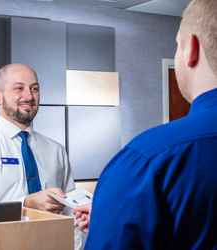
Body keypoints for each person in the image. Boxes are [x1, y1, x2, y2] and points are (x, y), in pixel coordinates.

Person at [74, 0, 217, 248]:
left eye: (177, 45)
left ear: (191, 48)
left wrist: (119, 213)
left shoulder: (148, 160)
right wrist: (115, 214)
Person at [0, 63, 74, 213]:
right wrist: (25, 204)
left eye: (34, 89)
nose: (29, 96)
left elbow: (71, 212)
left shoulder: (56, 150)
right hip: (3, 237)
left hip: (53, 236)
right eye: (19, 88)